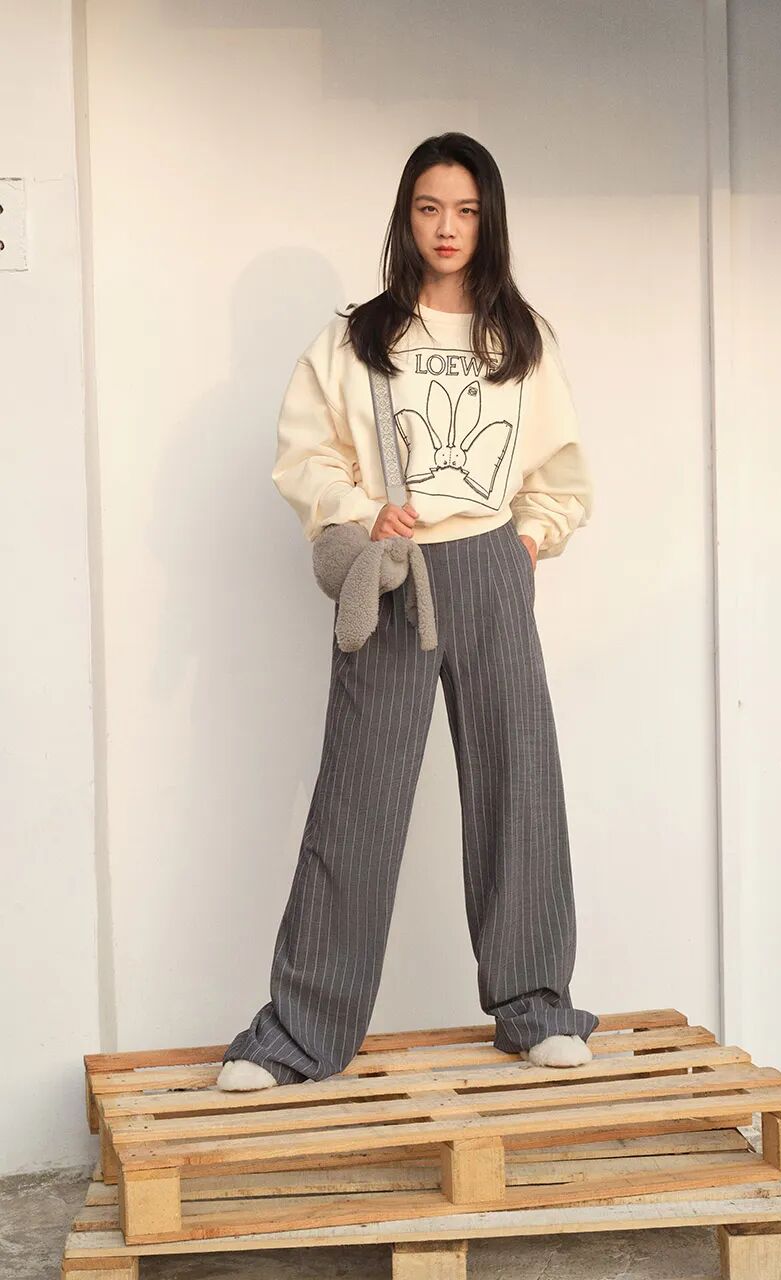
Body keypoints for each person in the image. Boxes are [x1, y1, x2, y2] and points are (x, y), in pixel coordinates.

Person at [217, 131, 599, 1092]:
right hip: (392, 575)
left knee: (517, 787)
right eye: (429, 208)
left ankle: (536, 1007)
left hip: (490, 567)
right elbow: (305, 456)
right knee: (358, 798)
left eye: (465, 210)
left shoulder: (521, 339)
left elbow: (558, 471)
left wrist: (526, 544)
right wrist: (356, 510)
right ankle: (299, 1033)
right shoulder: (358, 337)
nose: (446, 227)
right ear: (405, 217)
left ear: (488, 220)